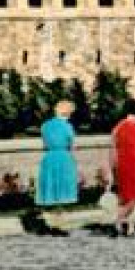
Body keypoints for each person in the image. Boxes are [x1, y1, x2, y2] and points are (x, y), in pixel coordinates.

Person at [28, 99, 78, 235]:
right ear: (68, 113)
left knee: (51, 190)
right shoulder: (67, 126)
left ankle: (50, 222)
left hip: (49, 157)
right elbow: (72, 146)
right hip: (63, 157)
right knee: (62, 192)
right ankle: (59, 225)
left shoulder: (45, 126)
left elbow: (45, 144)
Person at [110, 98, 135, 236]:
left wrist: (113, 167)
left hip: (121, 163)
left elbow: (113, 149)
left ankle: (130, 227)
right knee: (134, 198)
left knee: (124, 196)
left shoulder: (118, 127)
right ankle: (118, 220)